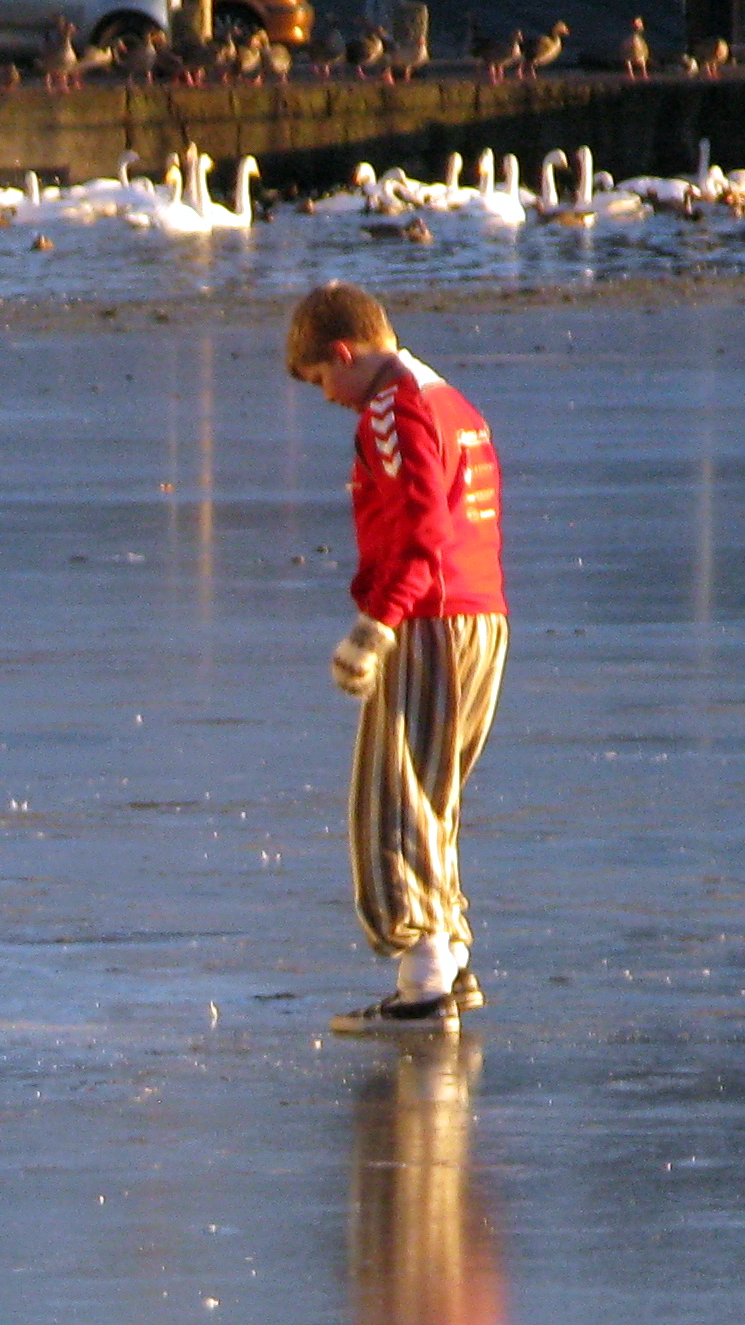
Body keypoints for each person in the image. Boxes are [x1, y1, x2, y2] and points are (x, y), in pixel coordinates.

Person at [286, 282, 508, 1034]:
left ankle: (423, 987)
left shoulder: (393, 406)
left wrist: (377, 625)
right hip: (482, 618)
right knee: (433, 800)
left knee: (392, 800)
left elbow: (421, 531)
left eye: (322, 380)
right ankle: (446, 966)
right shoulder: (454, 401)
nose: (328, 399)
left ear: (344, 354)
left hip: (428, 620)